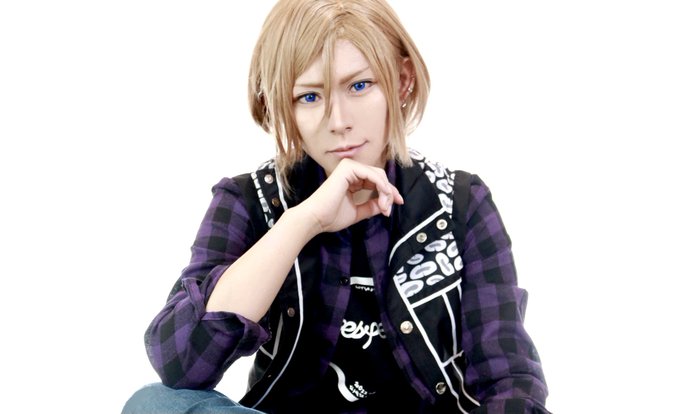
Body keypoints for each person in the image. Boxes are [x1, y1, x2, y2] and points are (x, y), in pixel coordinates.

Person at [123, 0, 549, 412]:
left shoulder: (458, 204)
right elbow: (181, 363)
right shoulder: (250, 201)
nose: (338, 120)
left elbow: (510, 382)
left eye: (359, 86)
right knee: (152, 404)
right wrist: (302, 223)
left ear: (402, 81)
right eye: (309, 97)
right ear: (283, 104)